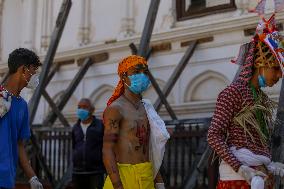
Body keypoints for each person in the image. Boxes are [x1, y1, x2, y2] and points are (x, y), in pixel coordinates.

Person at [207, 14, 284, 189]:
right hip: (238, 179)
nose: (280, 75)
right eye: (275, 69)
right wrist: (241, 168)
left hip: (261, 177)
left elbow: (254, 143)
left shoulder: (261, 98)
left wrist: (270, 165)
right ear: (260, 64)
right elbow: (213, 135)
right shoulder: (232, 93)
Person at [102, 55, 170, 189]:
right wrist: (117, 185)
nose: (142, 76)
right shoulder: (116, 109)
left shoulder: (147, 108)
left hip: (147, 175)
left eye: (145, 72)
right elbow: (107, 150)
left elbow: (151, 148)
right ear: (123, 77)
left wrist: (159, 181)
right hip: (124, 177)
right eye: (136, 72)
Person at [0, 48, 43, 189]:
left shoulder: (22, 106)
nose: (35, 76)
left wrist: (32, 177)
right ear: (23, 70)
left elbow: (19, 145)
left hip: (7, 179)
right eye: (33, 71)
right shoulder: (0, 97)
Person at [72, 98, 105, 189]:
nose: (81, 110)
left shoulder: (100, 126)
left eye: (85, 107)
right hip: (77, 172)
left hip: (95, 172)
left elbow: (105, 146)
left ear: (92, 110)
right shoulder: (75, 127)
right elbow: (74, 146)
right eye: (79, 107)